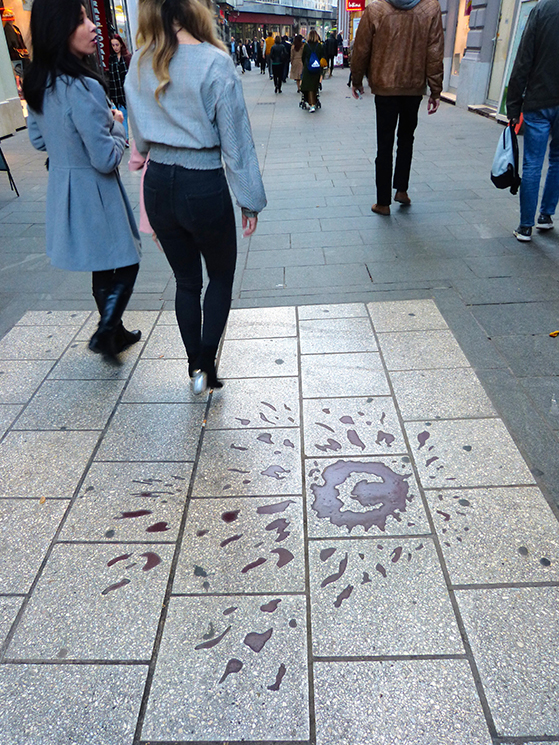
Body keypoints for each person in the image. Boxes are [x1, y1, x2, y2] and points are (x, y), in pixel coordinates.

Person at [125, 0, 266, 394]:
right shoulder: (214, 63)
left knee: (186, 281)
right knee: (219, 275)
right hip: (202, 181)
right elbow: (237, 143)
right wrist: (249, 199)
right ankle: (206, 360)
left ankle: (194, 369)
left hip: (158, 183)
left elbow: (138, 139)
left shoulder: (139, 61)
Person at [23, 0, 141, 362]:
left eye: (89, 18)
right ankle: (106, 330)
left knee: (102, 263)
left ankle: (114, 332)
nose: (92, 27)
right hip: (96, 190)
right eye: (80, 21)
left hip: (65, 187)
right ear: (58, 29)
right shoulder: (83, 86)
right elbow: (105, 158)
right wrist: (118, 124)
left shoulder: (38, 81)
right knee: (128, 259)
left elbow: (38, 140)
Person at [351, 0, 444, 216]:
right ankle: (401, 189)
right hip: (413, 87)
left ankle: (382, 202)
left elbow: (362, 48)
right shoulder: (430, 8)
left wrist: (357, 80)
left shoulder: (376, 9)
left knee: (384, 144)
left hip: (384, 88)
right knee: (406, 139)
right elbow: (435, 51)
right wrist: (435, 90)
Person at [506, 0, 559, 242]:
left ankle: (525, 226)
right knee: (558, 160)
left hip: (539, 99)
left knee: (532, 163)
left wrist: (514, 103)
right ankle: (546, 216)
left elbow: (524, 58)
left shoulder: (541, 9)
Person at [108, 34, 131, 140]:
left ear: (121, 44)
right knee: (122, 115)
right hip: (116, 94)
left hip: (126, 92)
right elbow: (111, 78)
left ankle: (125, 137)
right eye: (113, 45)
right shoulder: (111, 59)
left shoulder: (127, 57)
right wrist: (110, 95)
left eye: (117, 44)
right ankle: (124, 137)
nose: (115, 47)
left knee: (125, 115)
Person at [300, 29, 323, 113]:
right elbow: (322, 56)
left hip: (308, 69)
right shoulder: (319, 46)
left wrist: (305, 65)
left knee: (308, 87)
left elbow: (303, 57)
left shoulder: (306, 46)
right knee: (314, 86)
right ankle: (314, 101)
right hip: (316, 69)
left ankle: (311, 104)